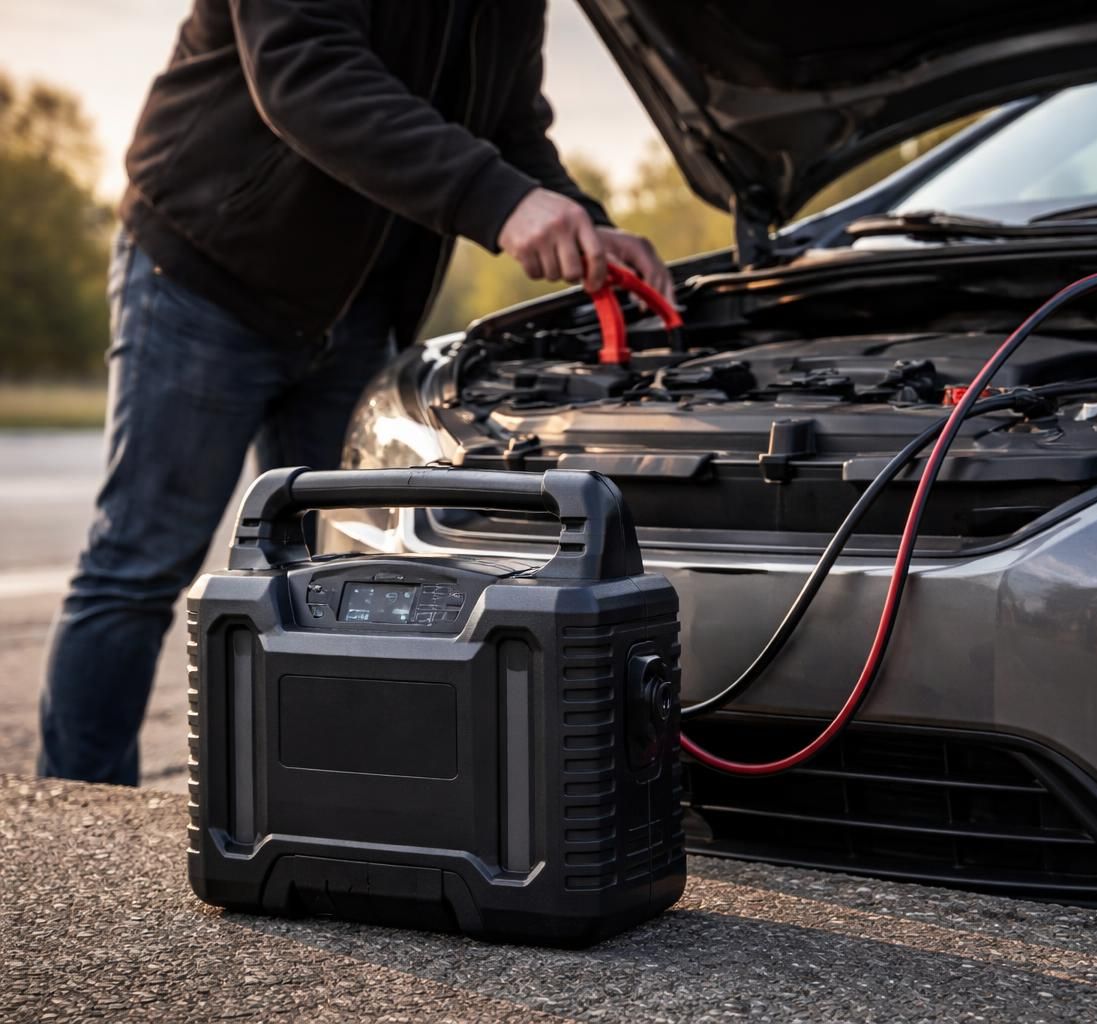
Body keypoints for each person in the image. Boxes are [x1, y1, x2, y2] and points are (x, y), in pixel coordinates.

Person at [37, 0, 672, 785]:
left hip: (359, 307)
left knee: (339, 582)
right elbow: (304, 68)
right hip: (208, 271)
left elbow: (510, 126)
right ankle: (80, 810)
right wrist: (499, 201)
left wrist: (587, 228)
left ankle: (317, 811)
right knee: (137, 569)